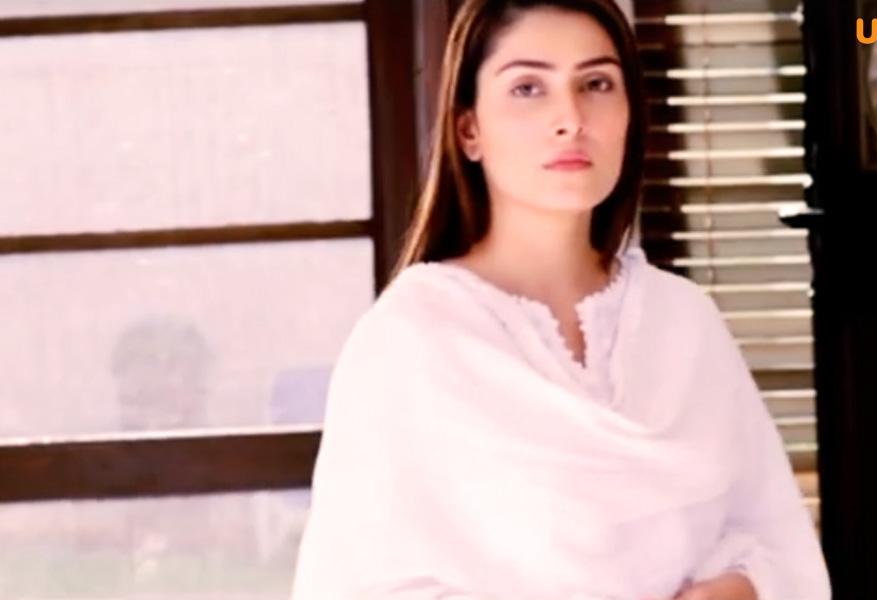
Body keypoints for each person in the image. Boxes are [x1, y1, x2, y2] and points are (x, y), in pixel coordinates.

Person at [291, 1, 831, 598]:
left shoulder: (684, 321)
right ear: (469, 130)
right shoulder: (411, 341)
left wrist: (741, 588)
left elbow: (780, 541)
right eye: (528, 88)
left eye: (596, 84)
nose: (570, 118)